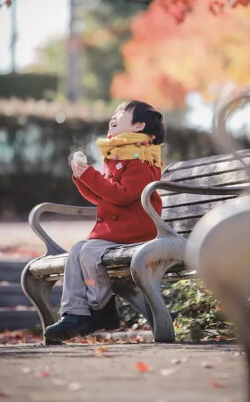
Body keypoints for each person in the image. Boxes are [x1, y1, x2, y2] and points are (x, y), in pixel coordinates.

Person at [44, 100, 166, 342]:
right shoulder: (119, 156)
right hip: (117, 233)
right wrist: (83, 177)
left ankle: (102, 308)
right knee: (78, 250)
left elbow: (121, 196)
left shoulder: (140, 159)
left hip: (135, 232)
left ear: (139, 125)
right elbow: (102, 197)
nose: (115, 116)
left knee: (88, 250)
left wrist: (91, 175)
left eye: (122, 112)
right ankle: (74, 311)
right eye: (115, 112)